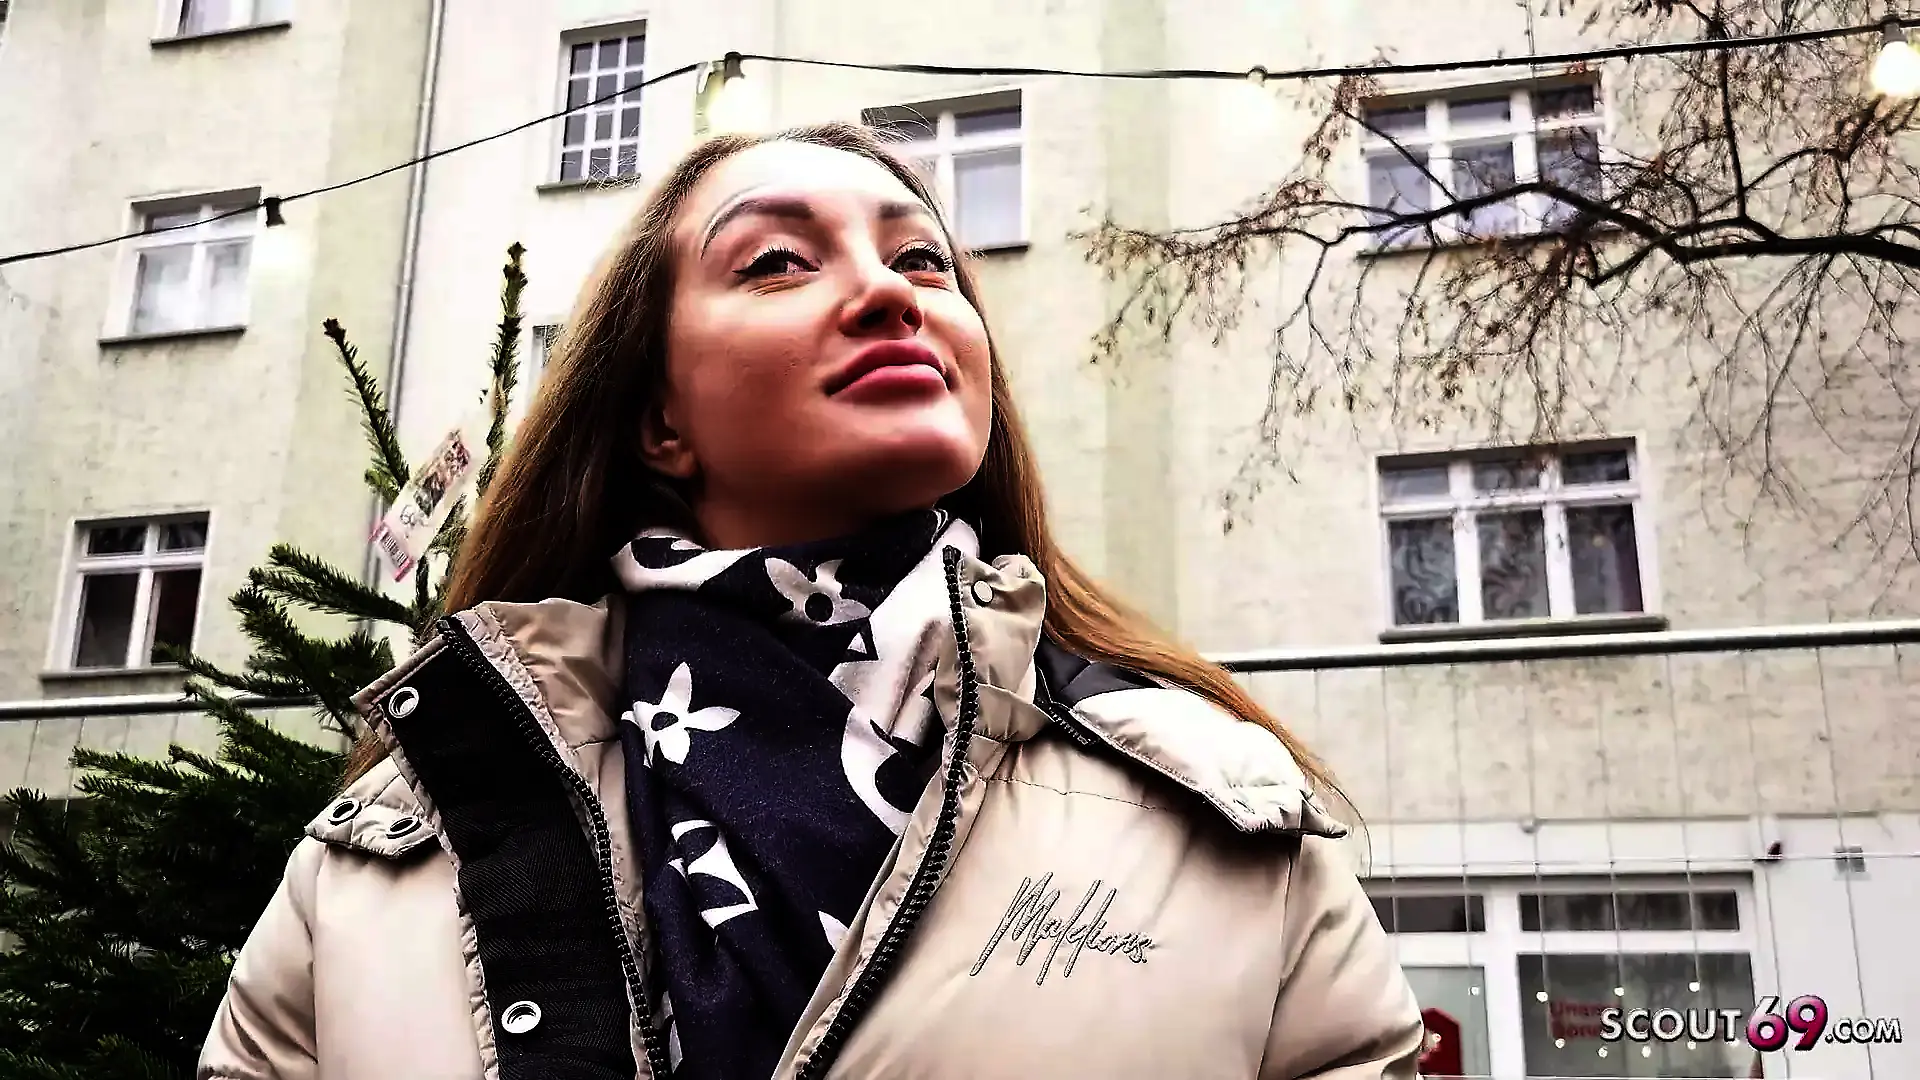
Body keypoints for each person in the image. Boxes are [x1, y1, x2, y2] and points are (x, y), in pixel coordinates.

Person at [198, 122, 1424, 1080]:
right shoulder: (383, 859)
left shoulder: (1228, 821)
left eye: (922, 259)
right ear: (659, 417)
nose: (893, 294)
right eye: (777, 260)